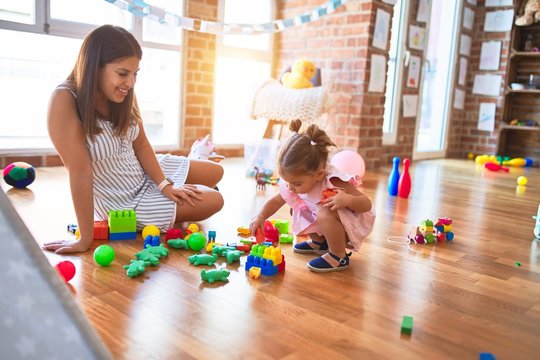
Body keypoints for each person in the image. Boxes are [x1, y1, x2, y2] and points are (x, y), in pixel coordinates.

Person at [43, 25, 224, 254]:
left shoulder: (124, 92)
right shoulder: (64, 100)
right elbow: (80, 173)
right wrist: (85, 238)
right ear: (94, 67)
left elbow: (141, 145)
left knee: (215, 171)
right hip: (124, 200)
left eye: (135, 73)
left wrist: (165, 185)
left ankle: (181, 190)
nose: (130, 82)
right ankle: (178, 201)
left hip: (143, 172)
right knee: (215, 199)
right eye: (122, 73)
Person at [249, 120, 375, 272]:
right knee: (295, 207)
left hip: (349, 227)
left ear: (319, 174)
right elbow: (276, 201)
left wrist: (347, 200)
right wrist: (261, 217)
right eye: (287, 182)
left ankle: (338, 255)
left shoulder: (333, 180)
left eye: (296, 183)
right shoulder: (295, 184)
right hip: (326, 222)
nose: (290, 187)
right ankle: (321, 242)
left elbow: (366, 204)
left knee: (324, 210)